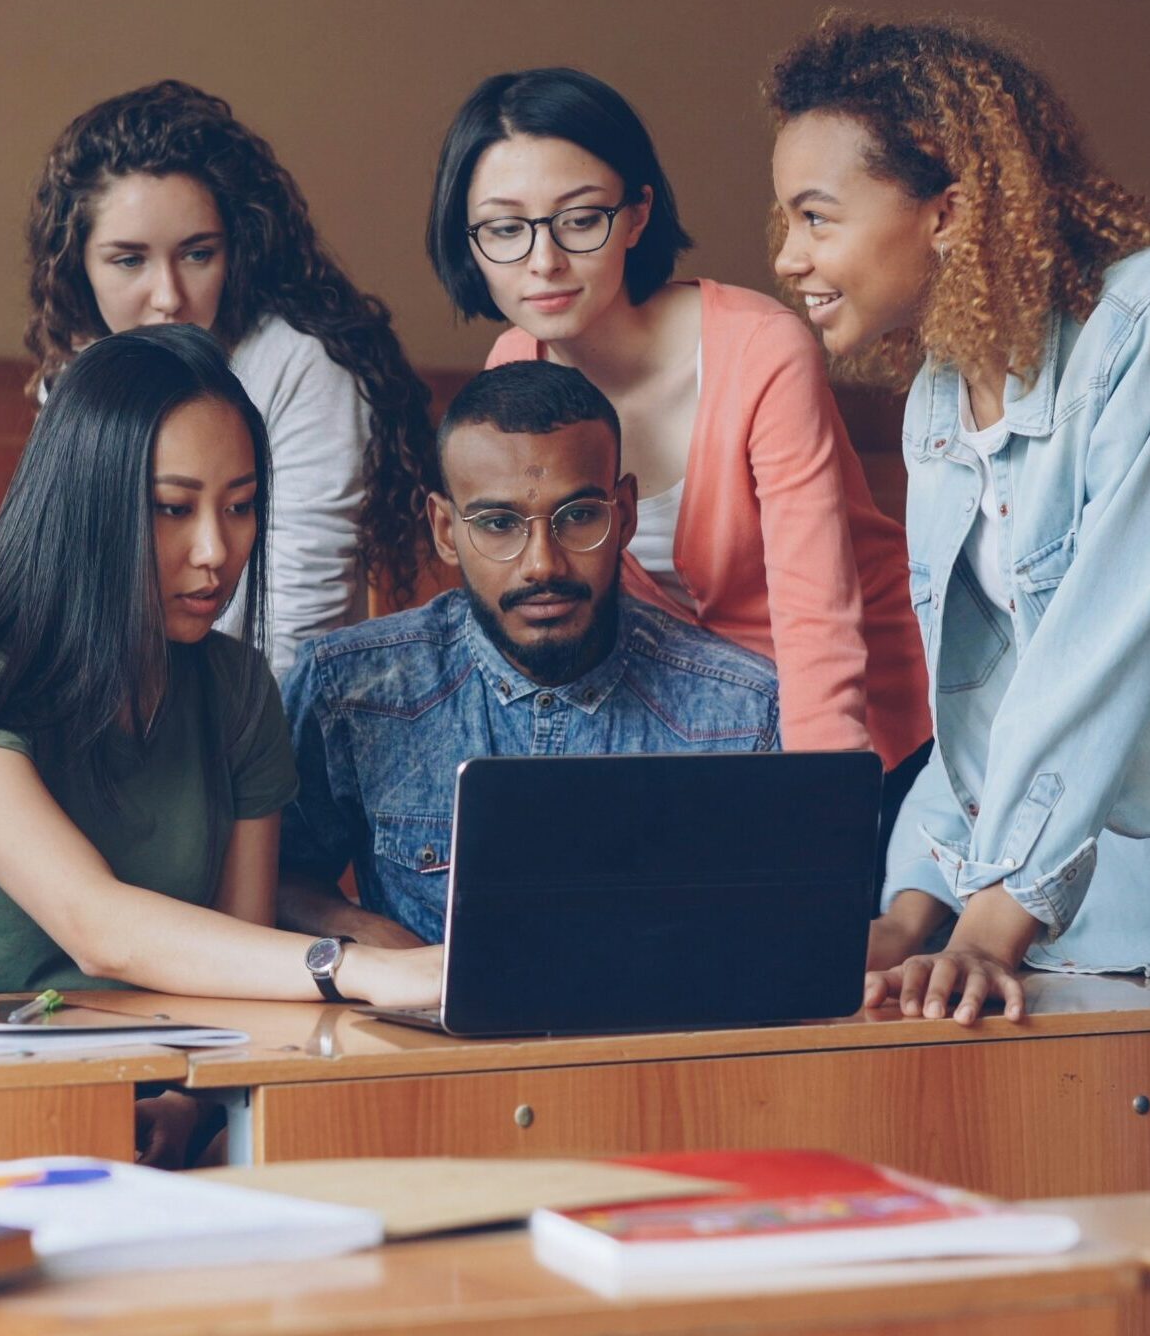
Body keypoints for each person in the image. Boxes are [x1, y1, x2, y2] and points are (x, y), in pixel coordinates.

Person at [765, 13, 1150, 1195]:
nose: (785, 254)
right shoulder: (941, 400)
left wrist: (1000, 916)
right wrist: (914, 913)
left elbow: (1106, 635)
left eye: (813, 214)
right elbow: (985, 704)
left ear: (945, 211)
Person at [0, 323, 443, 1016]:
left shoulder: (237, 689)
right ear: (88, 507)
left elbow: (238, 952)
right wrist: (355, 968)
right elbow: (99, 929)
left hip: (158, 1065)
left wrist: (187, 1109)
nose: (214, 549)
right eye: (172, 509)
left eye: (239, 507)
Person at [425, 69, 929, 848]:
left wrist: (822, 824)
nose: (543, 260)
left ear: (637, 215)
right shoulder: (511, 371)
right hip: (690, 741)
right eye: (503, 227)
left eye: (579, 219)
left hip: (872, 738)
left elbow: (816, 622)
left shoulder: (761, 352)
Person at [278, 360, 780, 946]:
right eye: (498, 524)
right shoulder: (348, 689)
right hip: (425, 1034)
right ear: (444, 529)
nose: (542, 563)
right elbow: (273, 880)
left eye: (579, 517)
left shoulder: (744, 714)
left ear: (626, 514)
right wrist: (373, 941)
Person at [26, 80, 438, 675]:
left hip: (261, 726)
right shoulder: (74, 377)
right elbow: (66, 603)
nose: (168, 298)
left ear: (237, 250)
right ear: (78, 266)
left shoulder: (299, 365)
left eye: (198, 254)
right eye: (129, 260)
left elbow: (291, 643)